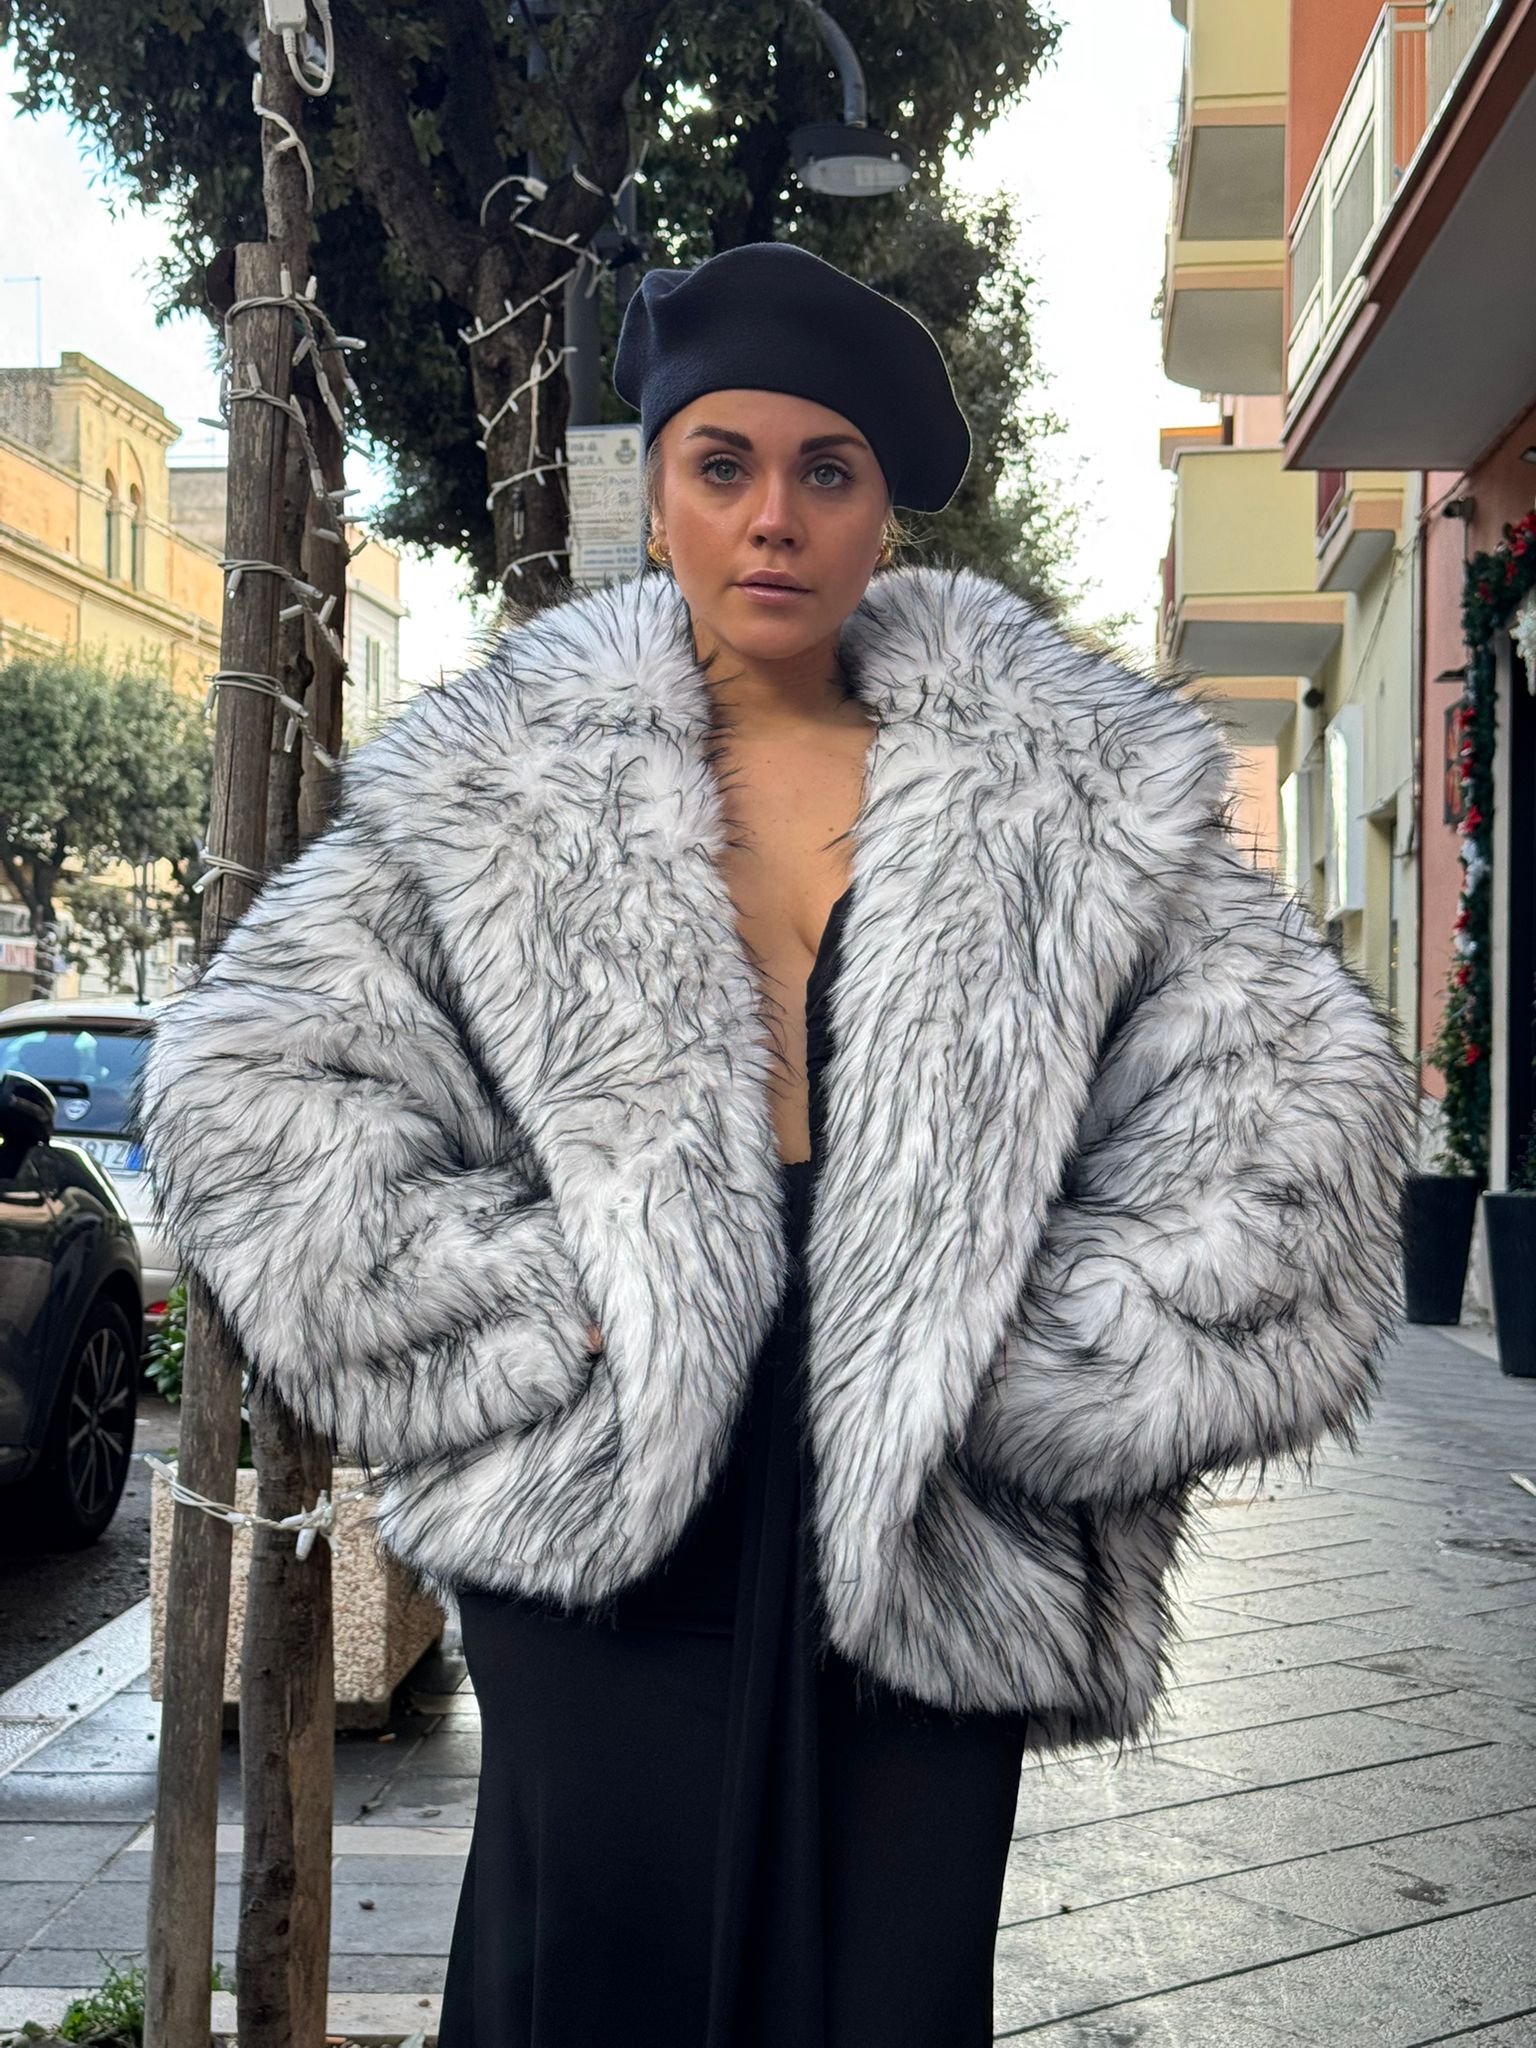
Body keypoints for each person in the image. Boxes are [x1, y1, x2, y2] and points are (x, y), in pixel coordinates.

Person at [139, 241, 1412, 2046]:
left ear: (883, 510)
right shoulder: (509, 786)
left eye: (828, 471)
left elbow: (1299, 1119)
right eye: (722, 464)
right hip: (614, 1501)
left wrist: (1047, 1350)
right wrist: (519, 1306)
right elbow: (250, 1096)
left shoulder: (1059, 791)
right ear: (659, 488)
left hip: (935, 1506)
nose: (772, 519)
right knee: (600, 1976)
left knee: (894, 1986)